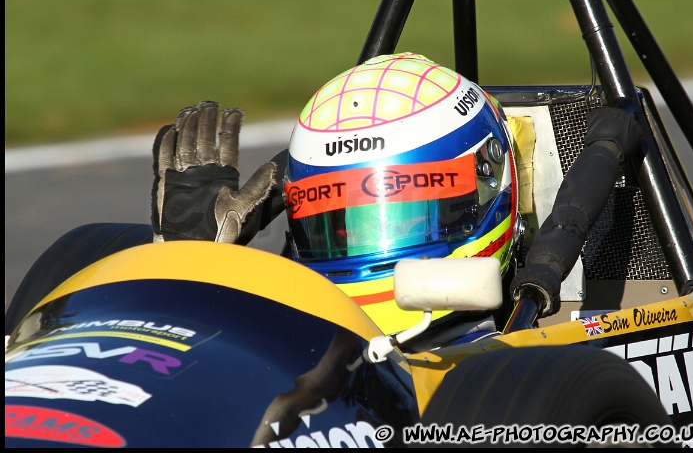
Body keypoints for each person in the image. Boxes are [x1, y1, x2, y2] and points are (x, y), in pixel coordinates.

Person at [151, 52, 643, 343]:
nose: (372, 241)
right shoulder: (286, 333)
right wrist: (190, 271)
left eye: (410, 213)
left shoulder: (529, 368)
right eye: (338, 222)